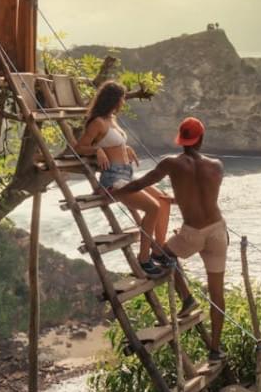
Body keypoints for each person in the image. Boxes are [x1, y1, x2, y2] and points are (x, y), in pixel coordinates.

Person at [111, 116, 227, 361]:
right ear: (201, 139)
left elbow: (142, 182)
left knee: (161, 255)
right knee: (218, 294)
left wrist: (117, 192)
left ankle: (188, 298)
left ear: (181, 140)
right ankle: (215, 350)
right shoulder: (217, 165)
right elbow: (203, 194)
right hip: (218, 230)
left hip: (192, 233)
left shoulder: (171, 163)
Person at [74, 81, 173, 278]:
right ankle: (144, 259)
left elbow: (113, 143)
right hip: (113, 179)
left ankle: (158, 250)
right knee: (153, 207)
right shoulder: (98, 122)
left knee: (164, 200)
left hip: (126, 174)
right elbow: (79, 147)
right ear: (114, 99)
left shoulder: (112, 119)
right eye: (122, 98)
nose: (124, 102)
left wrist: (124, 148)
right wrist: (97, 150)